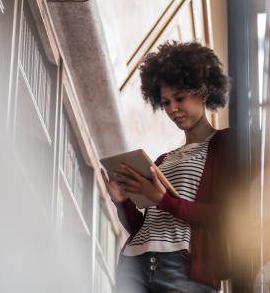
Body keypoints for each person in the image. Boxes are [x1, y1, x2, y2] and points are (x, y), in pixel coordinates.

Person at [101, 41, 240, 293]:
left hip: (182, 268)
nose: (172, 109)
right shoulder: (163, 160)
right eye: (165, 102)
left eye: (180, 98)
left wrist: (163, 200)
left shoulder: (225, 143)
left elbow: (228, 215)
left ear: (204, 92)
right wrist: (122, 201)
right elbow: (144, 226)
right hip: (134, 263)